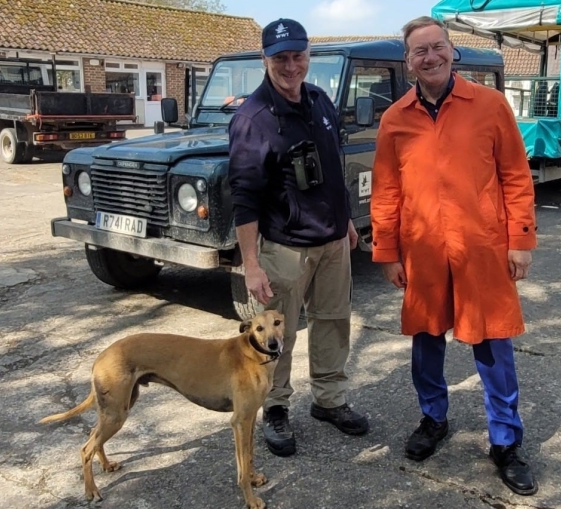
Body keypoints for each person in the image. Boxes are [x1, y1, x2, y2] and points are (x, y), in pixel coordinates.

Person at [370, 16, 538, 496]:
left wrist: (520, 240)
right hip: (421, 250)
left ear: (452, 50)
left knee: (493, 344)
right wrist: (386, 251)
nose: (430, 56)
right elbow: (385, 191)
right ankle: (433, 419)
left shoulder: (489, 105)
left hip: (481, 248)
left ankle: (505, 441)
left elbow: (516, 176)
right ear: (407, 62)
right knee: (426, 341)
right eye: (419, 51)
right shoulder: (395, 118)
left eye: (437, 46)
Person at [227, 18, 369, 458]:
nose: (291, 66)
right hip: (285, 249)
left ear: (309, 55)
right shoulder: (252, 119)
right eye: (281, 57)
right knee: (276, 336)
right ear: (264, 59)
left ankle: (329, 400)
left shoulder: (320, 101)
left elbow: (333, 168)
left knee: (332, 321)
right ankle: (275, 408)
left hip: (331, 244)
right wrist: (251, 264)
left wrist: (345, 221)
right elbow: (244, 198)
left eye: (298, 56)